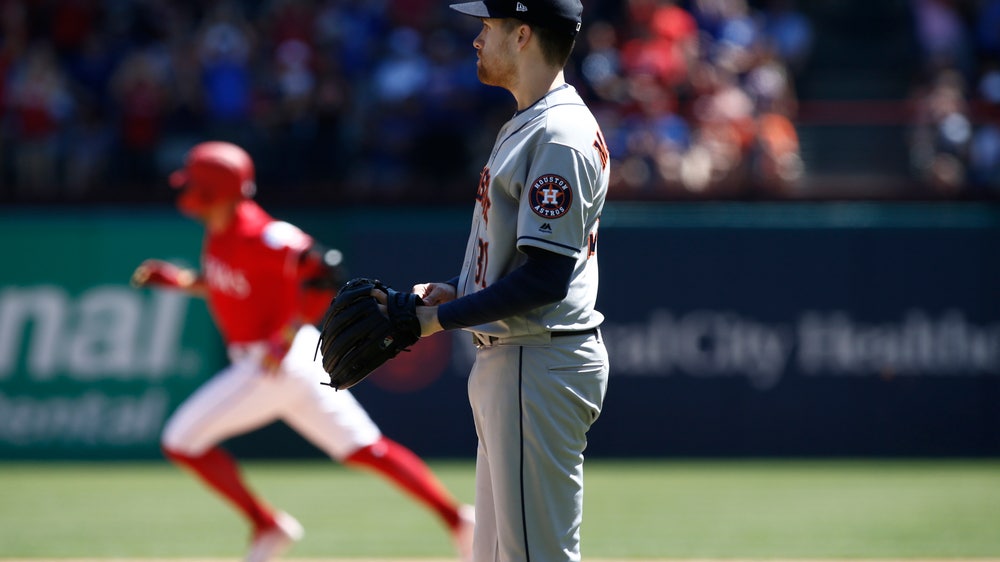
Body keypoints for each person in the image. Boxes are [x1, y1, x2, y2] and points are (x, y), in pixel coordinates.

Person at [130, 140, 474, 562]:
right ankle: (458, 519)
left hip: (273, 362)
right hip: (288, 361)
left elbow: (325, 269)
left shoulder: (263, 232)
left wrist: (285, 334)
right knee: (367, 449)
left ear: (212, 190)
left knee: (180, 440)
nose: (186, 192)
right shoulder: (221, 231)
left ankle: (267, 525)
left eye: (194, 184)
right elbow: (231, 284)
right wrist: (182, 282)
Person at [405, 1, 611, 560]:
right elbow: (522, 262)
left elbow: (546, 279)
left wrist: (436, 320)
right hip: (517, 358)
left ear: (522, 34)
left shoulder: (558, 134)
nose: (476, 39)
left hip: (535, 357)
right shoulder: (533, 120)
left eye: (486, 27)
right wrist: (458, 289)